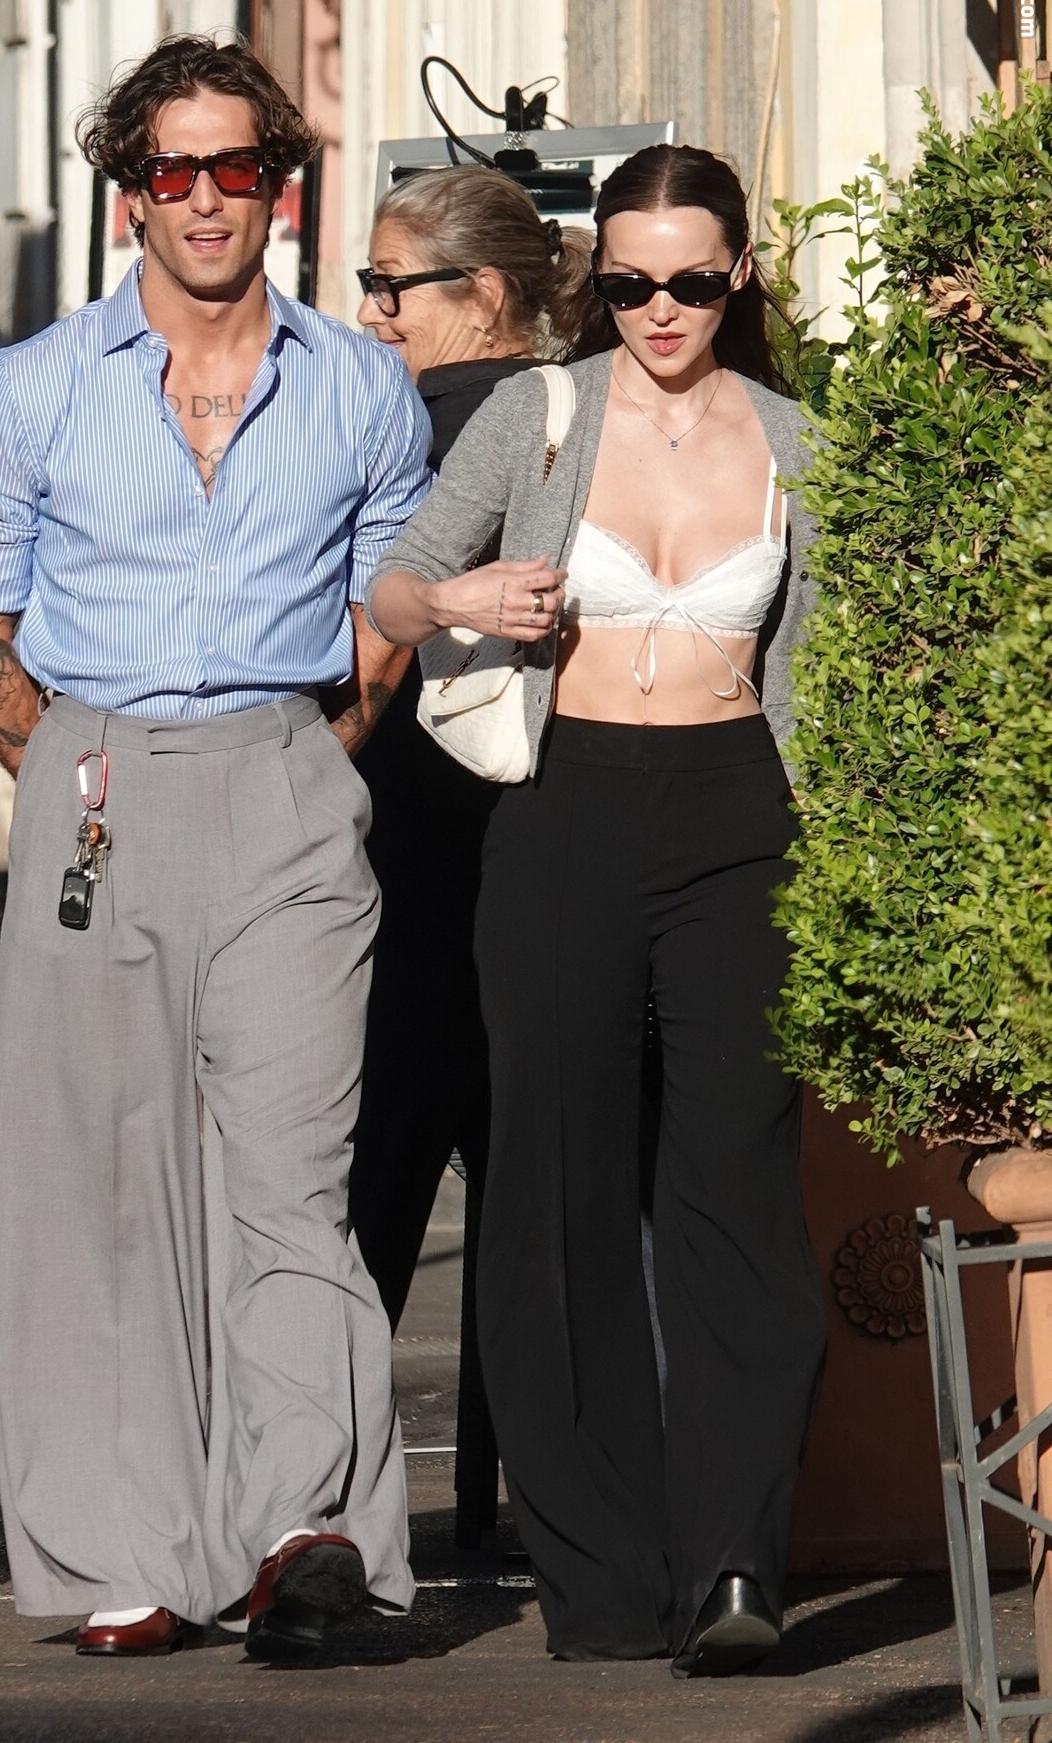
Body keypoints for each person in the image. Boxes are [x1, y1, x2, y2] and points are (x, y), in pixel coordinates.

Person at [0, 34, 431, 1662]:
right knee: (99, 1181)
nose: (207, 199)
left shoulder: (358, 387)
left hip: (287, 777)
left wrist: (310, 769)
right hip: (96, 778)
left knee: (294, 1176)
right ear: (128, 195)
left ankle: (303, 1532)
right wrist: (78, 780)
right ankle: (122, 1549)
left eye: (238, 168)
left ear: (280, 189)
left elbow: (381, 616)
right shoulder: (34, 390)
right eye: (174, 170)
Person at [368, 144, 827, 1675]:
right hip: (563, 816)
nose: (660, 309)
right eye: (628, 281)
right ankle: (605, 1577)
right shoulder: (539, 417)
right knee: (556, 1191)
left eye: (691, 279)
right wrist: (463, 601)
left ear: (739, 275)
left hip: (741, 824)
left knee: (735, 1189)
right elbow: (395, 587)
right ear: (596, 281)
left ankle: (737, 1564)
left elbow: (823, 677)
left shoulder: (802, 446)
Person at [349, 167, 596, 1328]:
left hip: (407, 853)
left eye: (390, 284)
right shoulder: (593, 422)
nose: (370, 311)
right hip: (553, 845)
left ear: (485, 291)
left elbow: (356, 653)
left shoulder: (411, 439)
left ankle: (326, 1438)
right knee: (537, 1219)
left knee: (368, 1201)